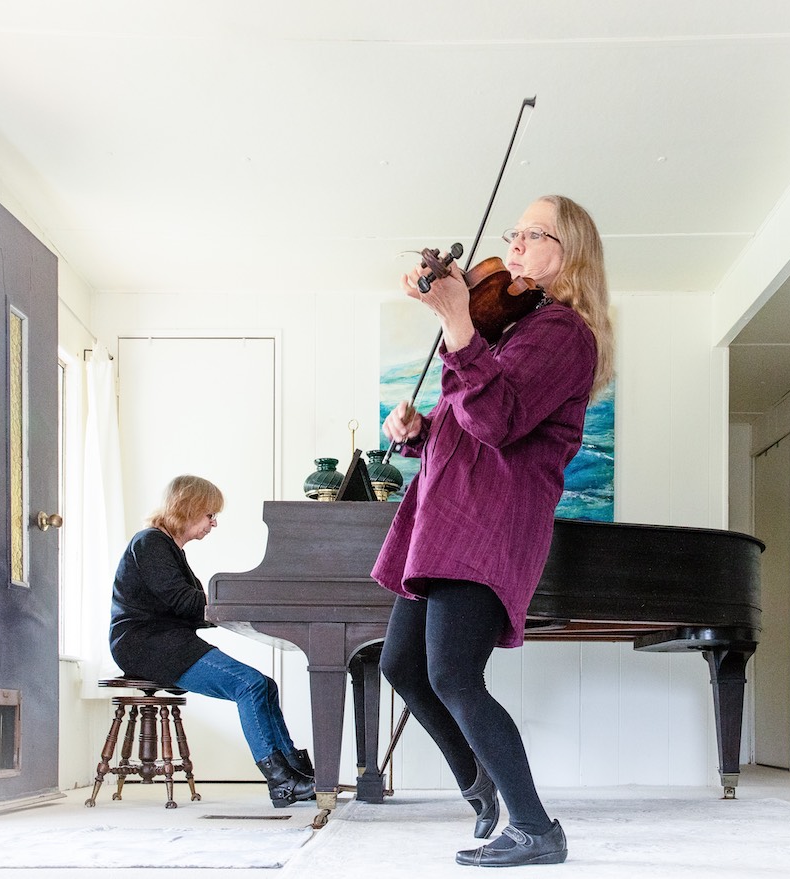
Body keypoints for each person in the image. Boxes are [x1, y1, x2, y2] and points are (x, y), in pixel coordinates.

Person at [372, 195, 614, 867]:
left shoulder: (564, 333)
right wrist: (421, 433)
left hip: (485, 527)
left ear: (569, 254)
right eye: (515, 233)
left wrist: (454, 319)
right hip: (443, 519)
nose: (513, 246)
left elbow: (500, 421)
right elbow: (467, 435)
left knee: (453, 672)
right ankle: (480, 783)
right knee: (402, 665)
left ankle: (537, 828)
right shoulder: (507, 330)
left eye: (533, 235)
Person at [109, 474, 316, 807]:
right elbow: (183, 601)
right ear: (188, 508)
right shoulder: (150, 543)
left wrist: (230, 607)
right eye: (209, 515)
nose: (213, 523)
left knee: (265, 685)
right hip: (147, 644)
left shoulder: (165, 547)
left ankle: (295, 771)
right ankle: (282, 783)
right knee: (249, 685)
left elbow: (187, 606)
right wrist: (234, 604)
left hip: (165, 641)